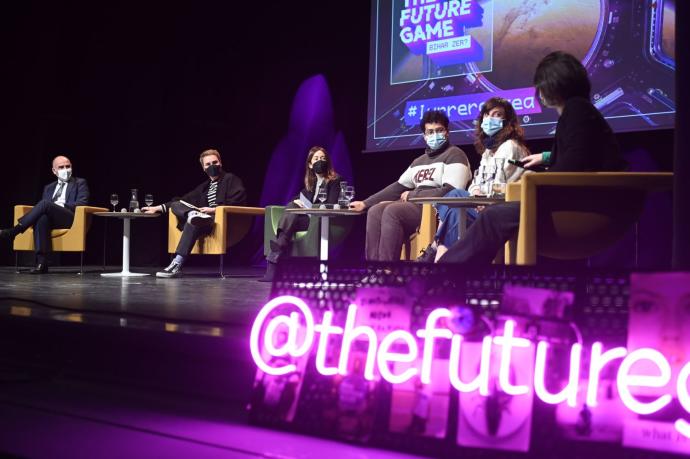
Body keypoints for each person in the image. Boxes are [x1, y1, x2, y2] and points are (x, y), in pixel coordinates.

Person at [437, 51, 626, 265]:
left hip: (583, 208)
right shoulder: (579, 111)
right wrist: (546, 158)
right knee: (490, 214)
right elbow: (577, 154)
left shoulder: (576, 112)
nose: (538, 92)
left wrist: (536, 182)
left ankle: (445, 273)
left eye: (541, 85)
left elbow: (573, 166)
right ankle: (449, 272)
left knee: (493, 216)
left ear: (554, 84)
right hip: (581, 201)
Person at [417, 97, 529, 262]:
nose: (490, 119)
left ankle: (436, 254)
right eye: (487, 114)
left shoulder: (510, 147)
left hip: (501, 212)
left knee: (455, 197)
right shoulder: (488, 152)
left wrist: (480, 196)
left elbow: (502, 187)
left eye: (497, 115)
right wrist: (476, 191)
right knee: (455, 203)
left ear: (507, 121)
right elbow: (476, 183)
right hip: (483, 208)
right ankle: (440, 261)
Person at [350, 110, 471, 261]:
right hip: (415, 206)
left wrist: (413, 195)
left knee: (393, 211)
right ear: (424, 136)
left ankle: (388, 270)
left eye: (439, 130)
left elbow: (451, 191)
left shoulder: (455, 154)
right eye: (430, 132)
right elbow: (398, 187)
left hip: (436, 210)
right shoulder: (418, 161)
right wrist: (365, 203)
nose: (435, 135)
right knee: (375, 210)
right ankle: (374, 269)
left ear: (447, 132)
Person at [142, 149, 246, 278]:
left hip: (219, 220)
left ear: (221, 163)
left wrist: (214, 210)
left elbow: (238, 201)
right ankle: (192, 216)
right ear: (203, 168)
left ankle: (176, 264)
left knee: (194, 221)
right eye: (208, 164)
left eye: (215, 162)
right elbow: (183, 200)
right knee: (179, 206)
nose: (212, 166)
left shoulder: (231, 179)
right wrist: (158, 207)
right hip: (202, 221)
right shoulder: (204, 187)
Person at [260, 146, 343, 282]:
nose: (320, 161)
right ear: (310, 165)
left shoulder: (335, 181)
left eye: (323, 158)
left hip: (323, 220)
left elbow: (332, 203)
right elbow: (296, 198)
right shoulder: (311, 184)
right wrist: (299, 202)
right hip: (309, 221)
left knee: (291, 214)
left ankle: (276, 253)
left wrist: (310, 207)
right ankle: (279, 247)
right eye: (316, 159)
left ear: (327, 162)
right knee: (292, 206)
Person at [0, 155, 89, 273]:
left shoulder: (80, 183)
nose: (66, 170)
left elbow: (82, 202)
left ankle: (14, 231)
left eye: (68, 166)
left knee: (45, 204)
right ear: (54, 171)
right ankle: (42, 263)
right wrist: (51, 207)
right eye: (61, 167)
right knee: (42, 218)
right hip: (52, 218)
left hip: (69, 217)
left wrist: (59, 206)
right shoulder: (49, 187)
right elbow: (45, 209)